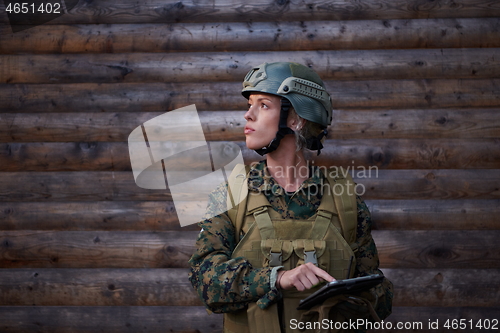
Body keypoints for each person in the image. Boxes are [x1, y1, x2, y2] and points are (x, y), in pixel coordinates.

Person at [188, 62, 393, 333]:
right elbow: (204, 280)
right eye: (250, 104)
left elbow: (378, 292)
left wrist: (352, 299)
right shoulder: (232, 194)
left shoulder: (344, 200)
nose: (248, 115)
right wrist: (277, 278)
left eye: (263, 105)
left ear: (295, 120)